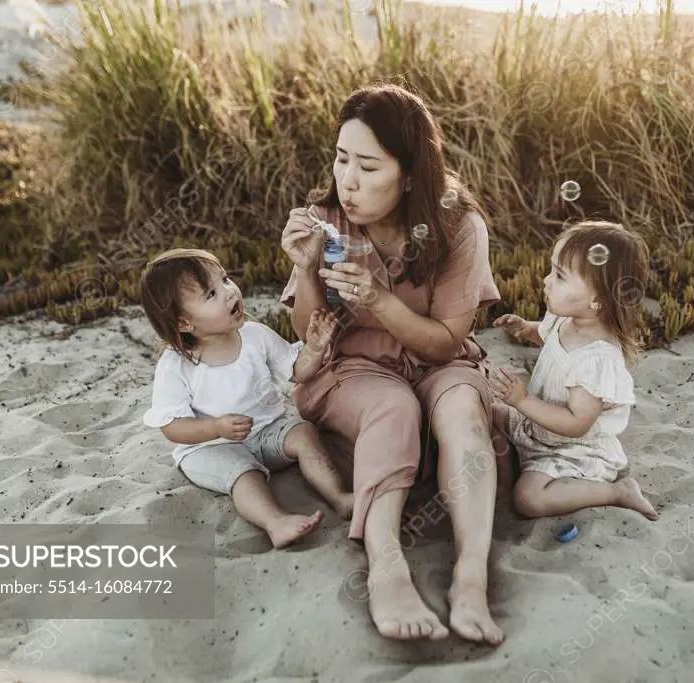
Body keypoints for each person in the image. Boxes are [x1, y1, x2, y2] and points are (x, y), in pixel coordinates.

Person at [279, 84, 505, 644]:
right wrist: (307, 273)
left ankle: (470, 577)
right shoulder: (326, 218)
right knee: (393, 405)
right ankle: (387, 566)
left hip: (434, 358)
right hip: (350, 368)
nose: (346, 181)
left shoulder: (457, 227)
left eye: (367, 166)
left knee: (462, 412)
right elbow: (308, 333)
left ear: (409, 175)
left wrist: (380, 300)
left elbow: (445, 345)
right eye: (340, 158)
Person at [139, 248, 353, 549]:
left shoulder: (255, 335)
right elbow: (172, 427)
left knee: (304, 433)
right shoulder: (177, 365)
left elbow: (296, 371)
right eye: (212, 294)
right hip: (210, 448)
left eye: (225, 280)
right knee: (244, 473)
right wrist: (215, 428)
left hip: (266, 432)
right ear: (184, 324)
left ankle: (339, 496)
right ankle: (275, 522)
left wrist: (315, 350)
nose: (229, 293)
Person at [491, 222, 660, 521]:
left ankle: (617, 492)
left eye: (559, 276)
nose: (546, 281)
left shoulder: (597, 361)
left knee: (528, 499)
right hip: (537, 429)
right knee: (485, 409)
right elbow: (551, 341)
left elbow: (576, 423)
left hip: (571, 449)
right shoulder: (565, 319)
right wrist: (526, 329)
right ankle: (508, 466)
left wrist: (521, 401)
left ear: (598, 301)